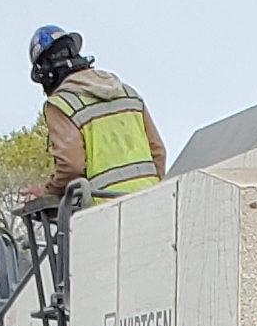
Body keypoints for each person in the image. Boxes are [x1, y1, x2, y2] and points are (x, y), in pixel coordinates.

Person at [26, 26, 166, 205]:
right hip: (152, 201)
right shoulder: (128, 93)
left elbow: (71, 165)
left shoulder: (61, 104)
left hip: (105, 212)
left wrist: (49, 193)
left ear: (46, 75)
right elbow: (158, 152)